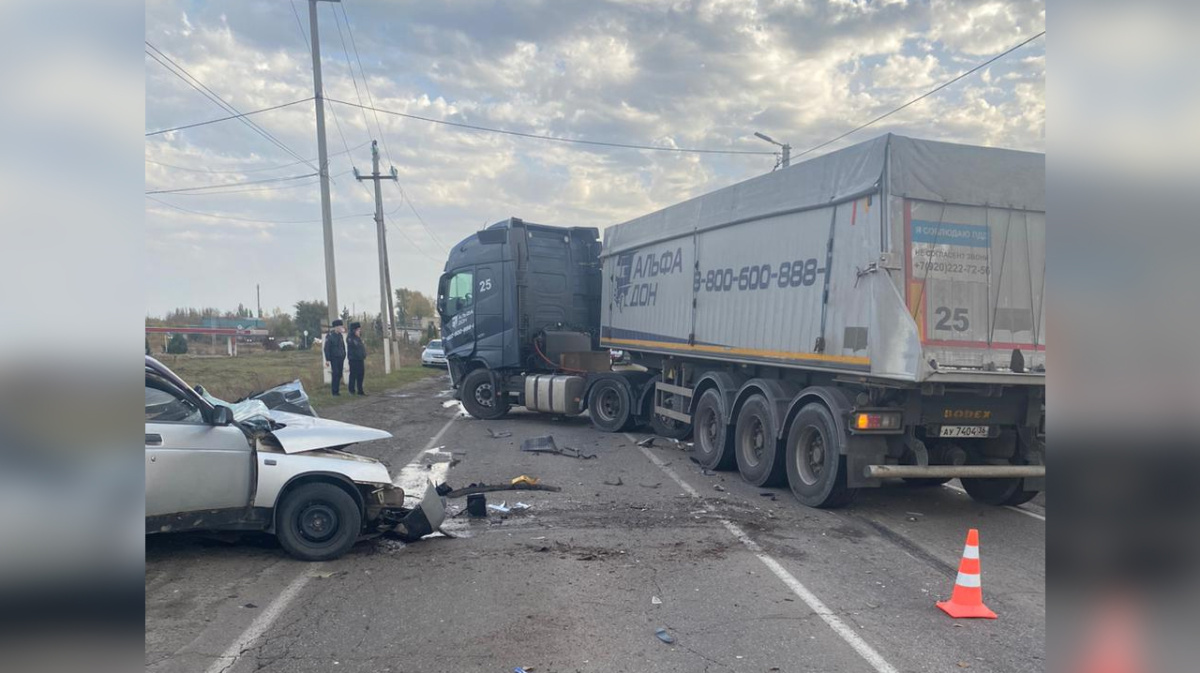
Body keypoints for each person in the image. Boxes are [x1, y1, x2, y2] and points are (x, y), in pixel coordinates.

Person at [323, 319, 346, 396]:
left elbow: (342, 346)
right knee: (335, 373)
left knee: (339, 374)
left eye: (341, 326)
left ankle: (337, 390)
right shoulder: (330, 336)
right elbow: (326, 348)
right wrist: (327, 359)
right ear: (336, 327)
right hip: (334, 358)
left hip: (340, 357)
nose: (341, 328)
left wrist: (344, 354)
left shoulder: (340, 335)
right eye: (340, 326)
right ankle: (334, 391)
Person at [347, 321, 367, 395]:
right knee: (353, 375)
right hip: (353, 359)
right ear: (354, 330)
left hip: (360, 359)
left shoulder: (358, 338)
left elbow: (361, 348)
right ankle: (351, 390)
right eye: (358, 330)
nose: (359, 331)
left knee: (361, 374)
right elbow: (355, 347)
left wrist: (363, 355)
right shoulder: (350, 338)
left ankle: (360, 390)